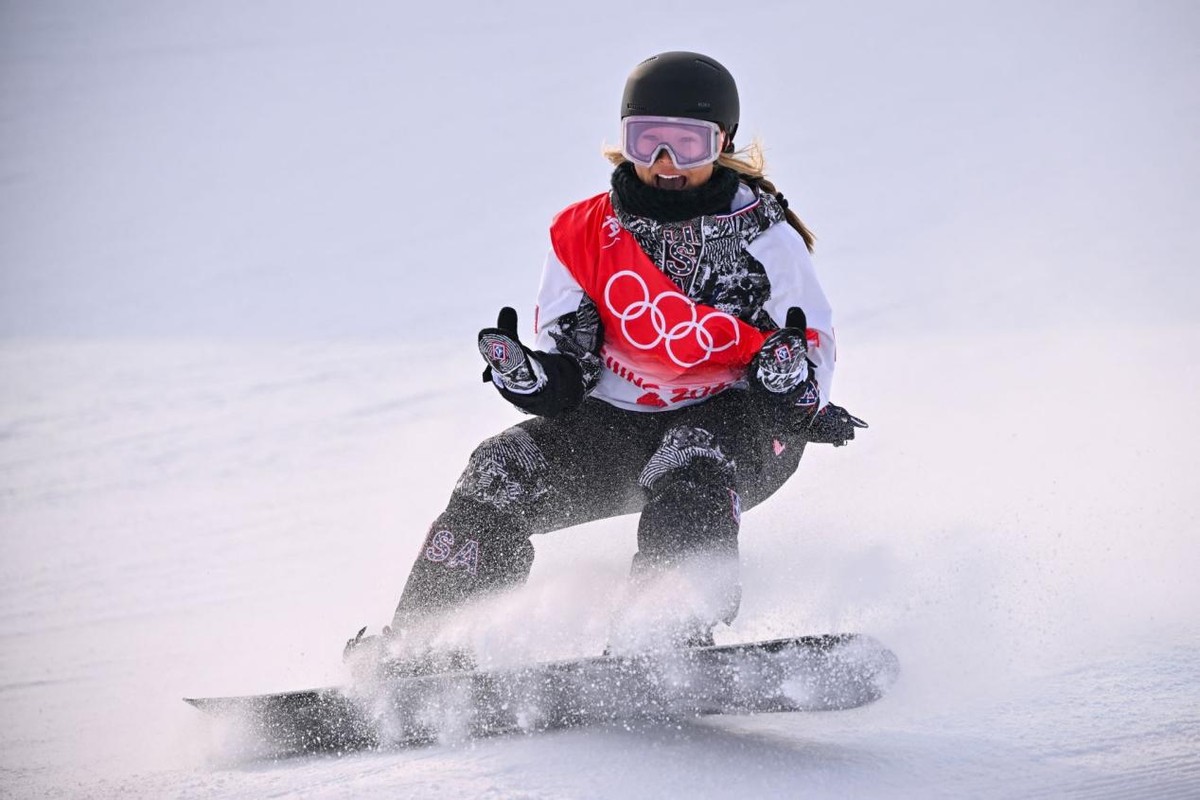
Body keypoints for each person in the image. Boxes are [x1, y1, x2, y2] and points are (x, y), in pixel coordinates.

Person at [347, 51, 865, 671]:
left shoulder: (765, 239)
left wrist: (792, 393)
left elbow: (813, 347)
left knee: (692, 453)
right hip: (618, 427)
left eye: (687, 145)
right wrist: (536, 381)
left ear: (722, 143)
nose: (664, 164)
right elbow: (572, 364)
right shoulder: (585, 233)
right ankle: (423, 646)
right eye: (646, 142)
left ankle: (668, 625)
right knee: (500, 465)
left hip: (741, 428)